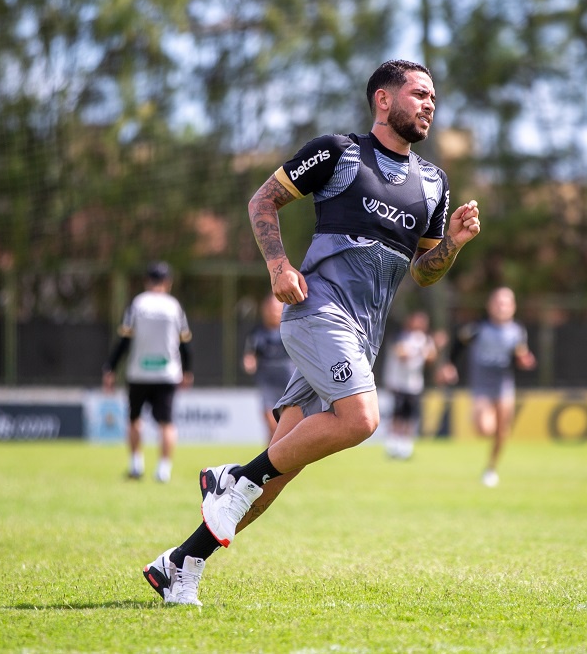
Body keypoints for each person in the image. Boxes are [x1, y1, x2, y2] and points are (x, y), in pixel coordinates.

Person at [142, 59, 482, 606]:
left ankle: (180, 564)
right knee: (362, 419)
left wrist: (455, 244)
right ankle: (234, 478)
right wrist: (278, 266)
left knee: (277, 473)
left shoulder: (434, 183)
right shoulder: (337, 153)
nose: (429, 105)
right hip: (317, 312)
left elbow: (423, 272)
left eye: (433, 98)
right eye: (419, 94)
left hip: (363, 335)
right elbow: (262, 200)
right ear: (383, 99)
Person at [103, 261, 193, 483]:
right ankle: (163, 470)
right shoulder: (174, 306)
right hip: (167, 373)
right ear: (168, 282)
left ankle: (136, 465)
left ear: (146, 281)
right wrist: (188, 370)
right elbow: (184, 343)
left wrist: (110, 368)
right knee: (167, 423)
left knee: (134, 419)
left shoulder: (137, 304)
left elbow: (124, 341)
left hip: (139, 373)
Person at [443, 287, 535, 488]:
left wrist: (525, 360)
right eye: (498, 303)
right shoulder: (478, 328)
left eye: (506, 303)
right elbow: (458, 344)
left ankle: (491, 469)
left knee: (502, 432)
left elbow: (520, 353)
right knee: (485, 429)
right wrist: (450, 365)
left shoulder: (517, 331)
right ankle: (478, 415)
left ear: (513, 307)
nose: (502, 307)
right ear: (490, 306)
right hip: (482, 387)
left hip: (504, 386)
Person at [382, 310, 440, 459]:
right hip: (398, 382)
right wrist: (419, 351)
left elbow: (431, 358)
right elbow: (401, 354)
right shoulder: (401, 336)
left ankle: (405, 445)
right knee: (397, 414)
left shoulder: (426, 339)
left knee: (410, 416)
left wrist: (434, 347)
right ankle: (393, 443)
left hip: (414, 384)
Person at [243, 294, 295, 443]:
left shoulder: (290, 330)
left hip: (288, 382)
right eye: (270, 308)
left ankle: (281, 454)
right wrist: (249, 362)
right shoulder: (257, 333)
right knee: (272, 425)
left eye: (276, 309)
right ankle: (271, 455)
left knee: (288, 428)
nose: (273, 312)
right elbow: (250, 355)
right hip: (267, 383)